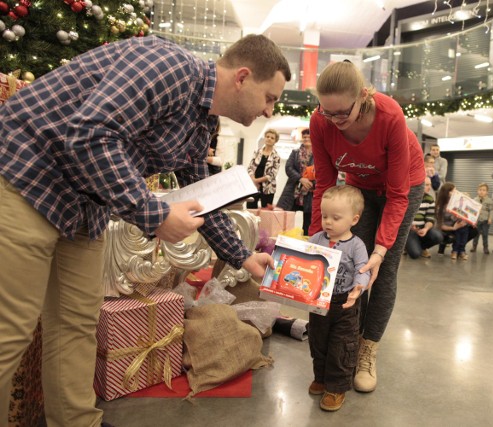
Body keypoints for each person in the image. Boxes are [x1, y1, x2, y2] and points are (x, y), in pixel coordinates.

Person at [0, 34, 291, 427]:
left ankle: (75, 421)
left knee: (77, 324)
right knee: (10, 331)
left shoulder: (201, 121)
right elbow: (90, 133)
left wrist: (242, 255)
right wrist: (153, 214)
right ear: (242, 77)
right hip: (29, 179)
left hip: (85, 208)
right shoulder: (170, 67)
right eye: (270, 98)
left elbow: (200, 194)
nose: (269, 111)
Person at [309, 60, 425, 393]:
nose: (335, 122)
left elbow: (399, 195)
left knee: (381, 268)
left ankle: (367, 350)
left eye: (342, 114)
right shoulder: (321, 121)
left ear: (363, 96)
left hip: (404, 185)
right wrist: (319, 239)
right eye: (326, 113)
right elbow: (325, 185)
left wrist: (381, 247)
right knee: (348, 263)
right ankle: (348, 340)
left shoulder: (389, 116)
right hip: (358, 186)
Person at [307, 185, 370, 412]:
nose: (328, 222)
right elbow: (304, 261)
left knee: (341, 345)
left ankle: (337, 387)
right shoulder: (317, 238)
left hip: (345, 303)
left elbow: (363, 269)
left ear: (354, 219)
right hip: (318, 301)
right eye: (325, 216)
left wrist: (358, 289)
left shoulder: (356, 245)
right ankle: (321, 377)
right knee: (318, 340)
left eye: (335, 217)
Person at [276, 128, 314, 234]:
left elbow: (321, 170)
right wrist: (300, 179)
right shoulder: (295, 152)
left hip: (310, 191)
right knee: (287, 220)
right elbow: (288, 168)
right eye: (304, 137)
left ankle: (306, 244)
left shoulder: (318, 153)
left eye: (308, 137)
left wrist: (310, 183)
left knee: (308, 222)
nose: (306, 139)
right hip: (293, 190)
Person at [405, 176, 444, 259]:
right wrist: (410, 226)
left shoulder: (429, 199)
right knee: (415, 255)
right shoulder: (408, 197)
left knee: (438, 236)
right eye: (426, 185)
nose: (429, 187)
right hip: (409, 230)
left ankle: (421, 247)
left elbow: (430, 218)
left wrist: (425, 229)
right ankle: (408, 246)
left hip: (422, 228)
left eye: (430, 184)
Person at [435, 183, 472, 260]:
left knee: (470, 230)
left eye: (456, 190)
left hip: (457, 225)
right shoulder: (440, 206)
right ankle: (445, 247)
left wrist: (470, 221)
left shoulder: (457, 202)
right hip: (447, 228)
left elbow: (465, 214)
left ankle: (460, 250)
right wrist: (453, 228)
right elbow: (440, 225)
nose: (456, 192)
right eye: (453, 191)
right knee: (451, 235)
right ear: (447, 193)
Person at [247, 128, 282, 209]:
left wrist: (257, 181)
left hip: (268, 188)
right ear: (265, 138)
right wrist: (254, 181)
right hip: (253, 185)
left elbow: (272, 174)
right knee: (250, 209)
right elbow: (250, 168)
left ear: (275, 141)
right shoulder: (257, 152)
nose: (269, 139)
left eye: (272, 138)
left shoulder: (276, 156)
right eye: (267, 136)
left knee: (266, 213)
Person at [471, 183, 493, 254]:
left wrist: (490, 218)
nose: (482, 191)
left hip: (485, 221)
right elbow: (472, 210)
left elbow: (492, 210)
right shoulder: (475, 199)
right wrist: (473, 220)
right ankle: (474, 246)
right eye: (480, 190)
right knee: (476, 234)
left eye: (484, 190)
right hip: (477, 220)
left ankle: (485, 247)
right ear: (477, 191)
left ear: (487, 192)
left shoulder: (490, 201)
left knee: (485, 234)